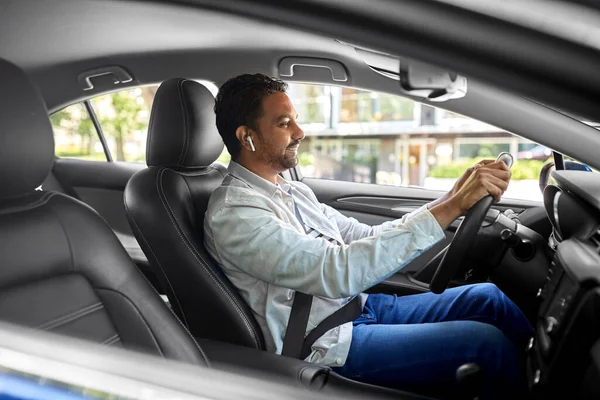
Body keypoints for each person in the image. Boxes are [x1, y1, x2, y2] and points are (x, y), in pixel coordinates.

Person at [204, 73, 532, 398]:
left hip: (359, 308)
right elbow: (337, 271)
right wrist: (453, 206)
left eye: (296, 121)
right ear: (247, 137)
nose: (300, 132)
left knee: (489, 299)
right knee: (484, 345)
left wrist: (450, 199)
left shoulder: (291, 191)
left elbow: (365, 235)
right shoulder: (236, 214)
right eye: (284, 123)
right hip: (324, 343)